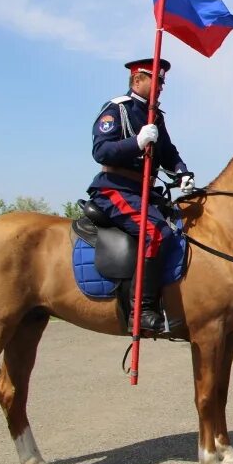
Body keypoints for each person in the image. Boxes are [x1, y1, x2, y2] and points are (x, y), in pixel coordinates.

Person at [88, 58, 195, 333]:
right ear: (137, 80)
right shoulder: (118, 109)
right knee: (154, 232)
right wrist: (136, 142)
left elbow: (168, 152)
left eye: (162, 82)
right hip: (115, 188)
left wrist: (182, 172)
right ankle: (143, 310)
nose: (160, 86)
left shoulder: (155, 116)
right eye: (156, 80)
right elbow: (101, 151)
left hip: (144, 190)